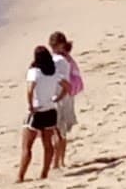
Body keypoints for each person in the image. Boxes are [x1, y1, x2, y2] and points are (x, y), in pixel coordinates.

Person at [18, 46, 70, 183]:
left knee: (27, 146)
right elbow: (67, 87)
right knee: (48, 145)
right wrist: (57, 98)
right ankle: (44, 173)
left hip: (37, 111)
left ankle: (20, 176)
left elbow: (30, 90)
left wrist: (30, 105)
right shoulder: (54, 72)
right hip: (50, 111)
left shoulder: (34, 72)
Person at [49, 31, 79, 168]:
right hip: (66, 97)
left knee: (57, 131)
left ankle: (57, 162)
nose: (53, 49)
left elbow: (61, 81)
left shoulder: (60, 61)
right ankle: (60, 160)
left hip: (60, 97)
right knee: (61, 131)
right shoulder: (67, 59)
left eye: (55, 46)